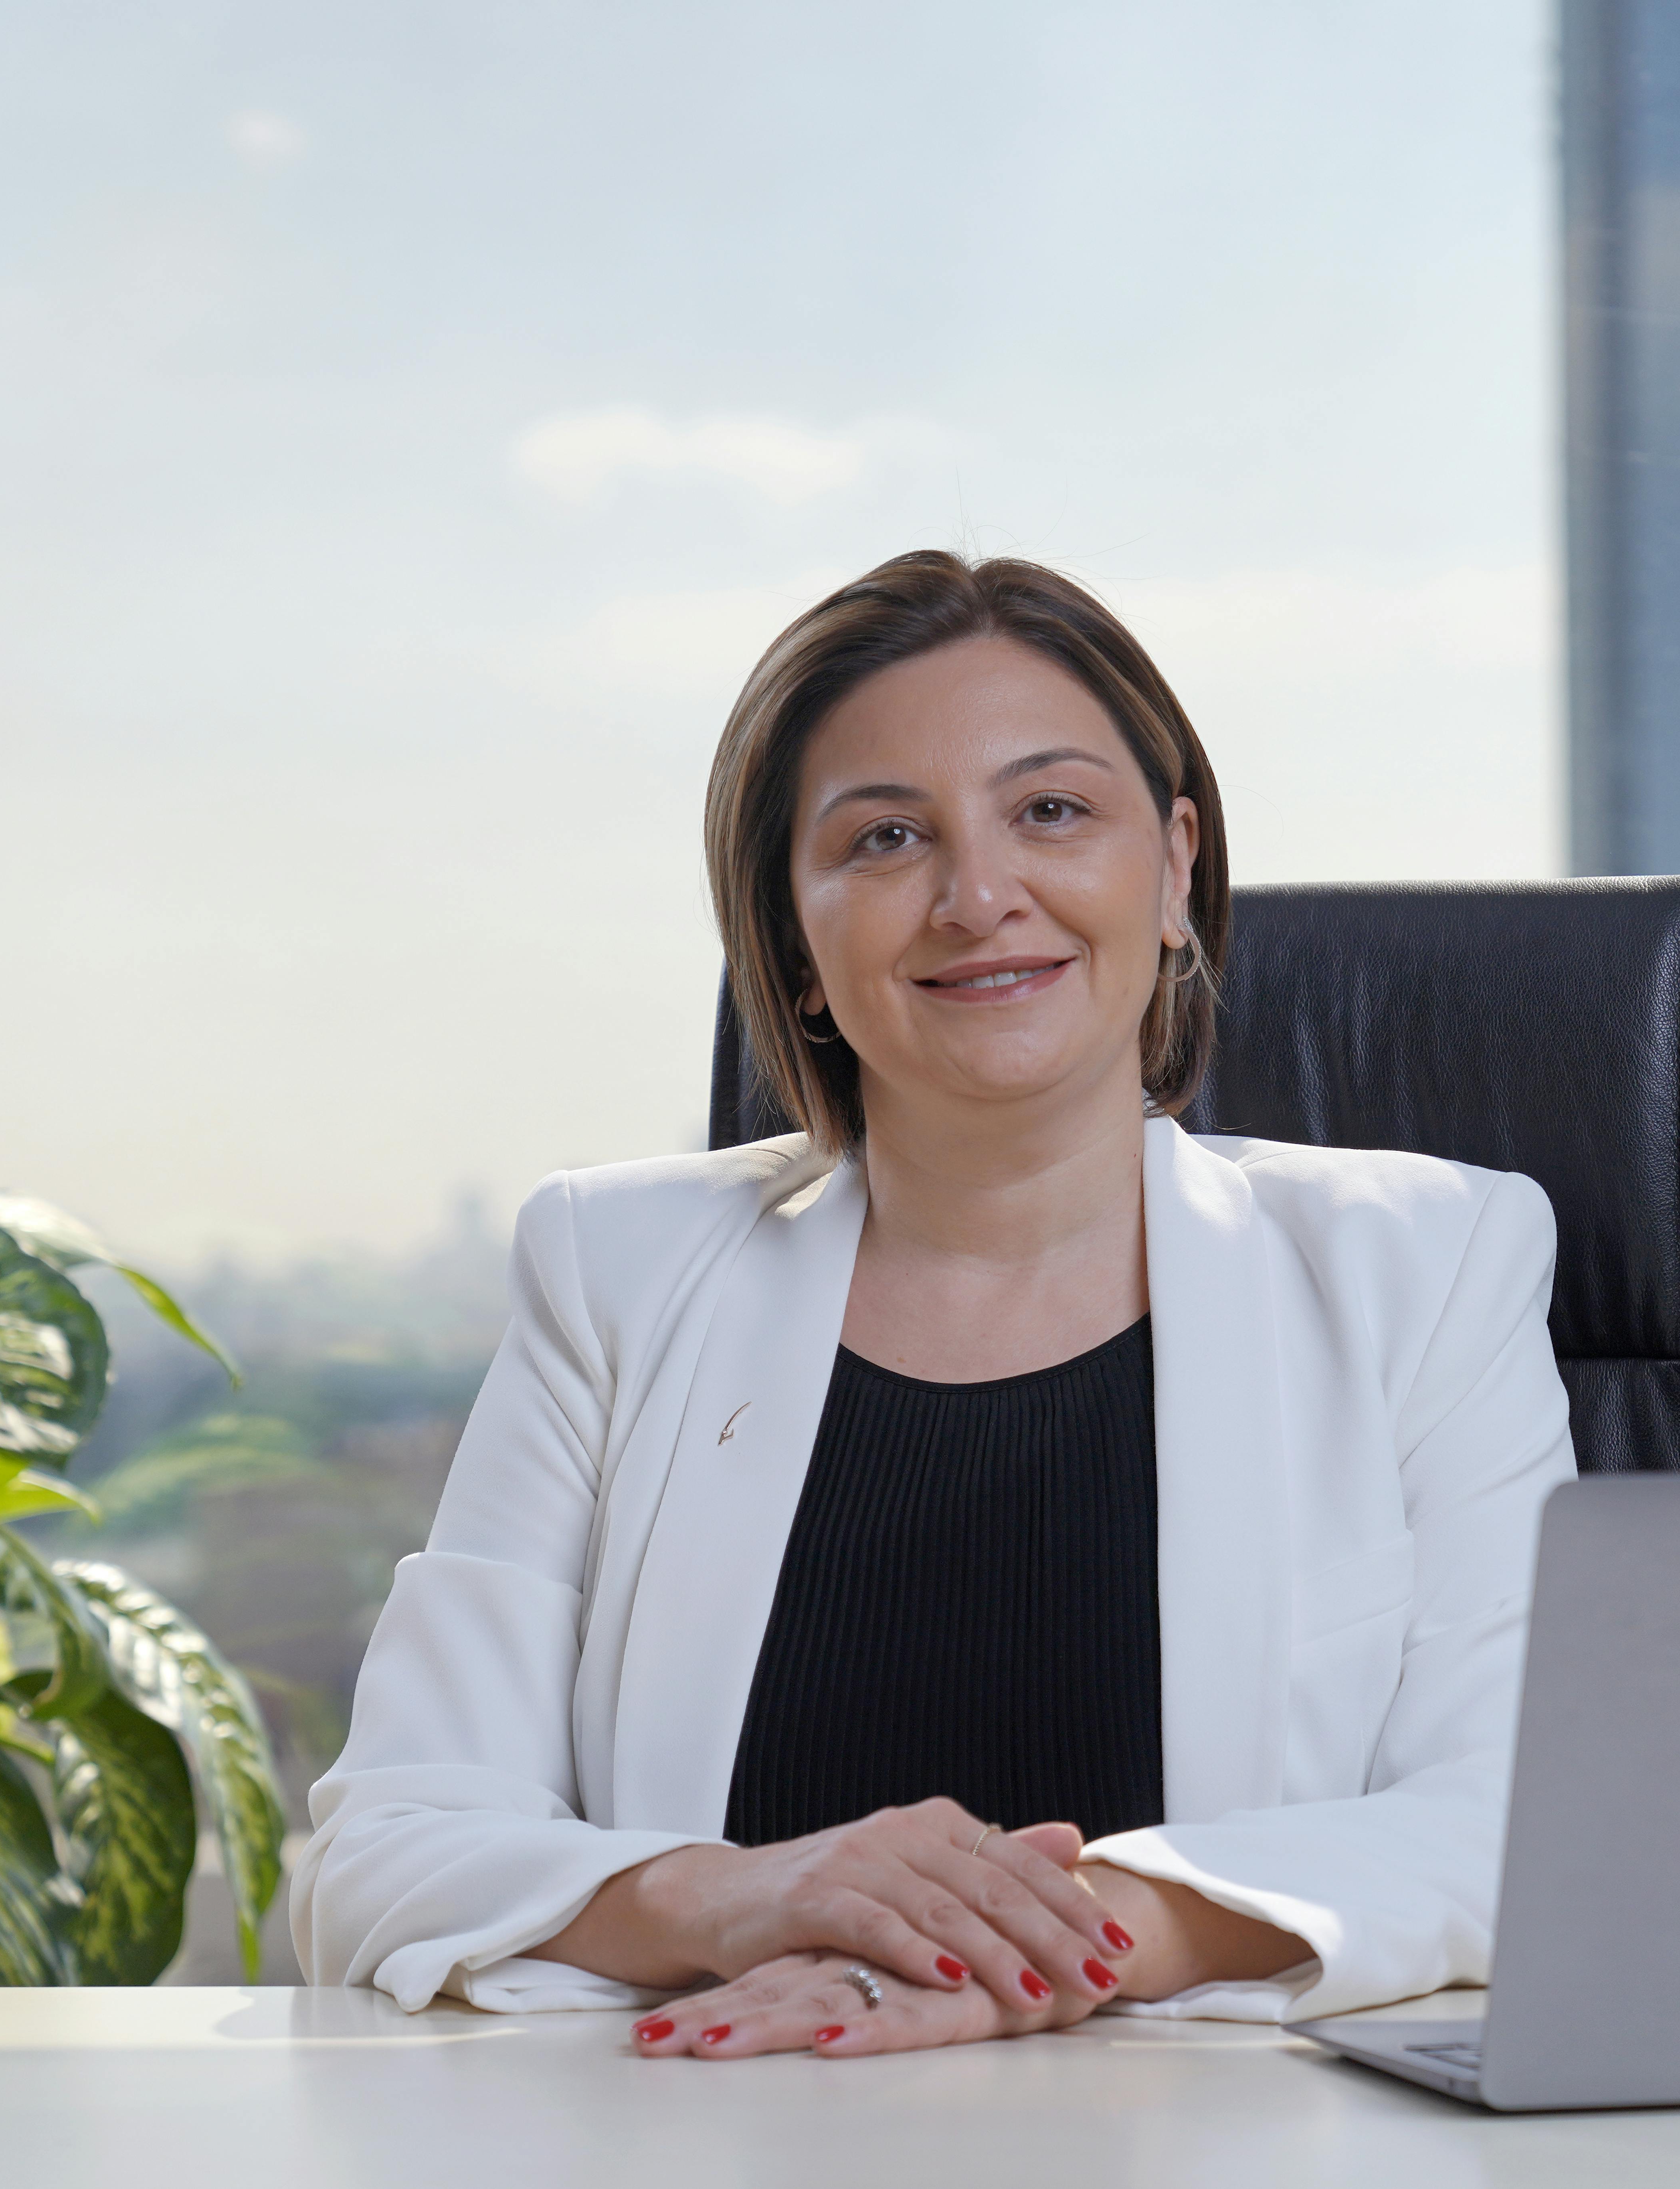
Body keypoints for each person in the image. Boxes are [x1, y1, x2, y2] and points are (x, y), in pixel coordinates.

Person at [289, 550, 1573, 2058]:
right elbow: (387, 1851)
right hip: (718, 2147)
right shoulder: (615, 1271)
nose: (979, 897)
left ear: (1170, 872)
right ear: (798, 947)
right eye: (889, 837)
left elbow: (1525, 1816)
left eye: (1051, 812)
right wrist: (750, 1896)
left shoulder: (1425, 1263)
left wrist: (1050, 1938)